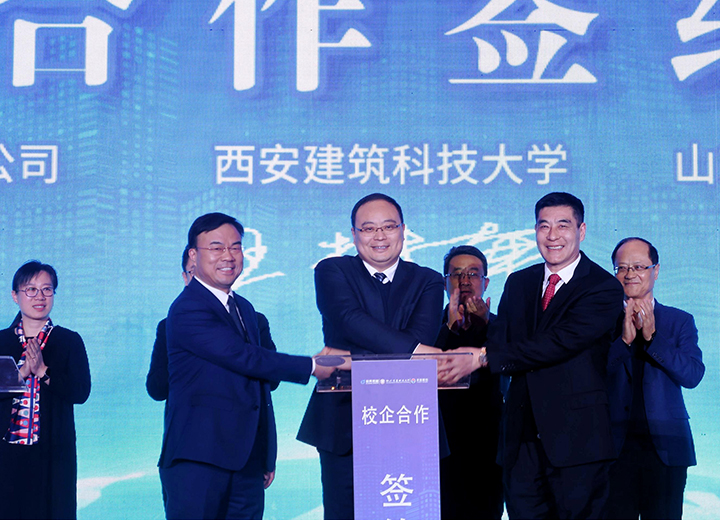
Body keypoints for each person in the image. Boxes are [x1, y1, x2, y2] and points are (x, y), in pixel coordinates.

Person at [440, 192, 624, 519]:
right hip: (521, 439)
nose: (552, 236)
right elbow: (502, 339)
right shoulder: (519, 282)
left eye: (562, 225)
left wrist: (483, 357)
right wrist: (473, 332)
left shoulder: (602, 287)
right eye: (543, 226)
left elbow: (560, 342)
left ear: (581, 231)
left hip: (577, 440)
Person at [158, 212, 337, 520]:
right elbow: (244, 357)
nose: (228, 256)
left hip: (247, 462)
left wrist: (265, 453)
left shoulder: (244, 308)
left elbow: (258, 387)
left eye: (236, 247)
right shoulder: (188, 308)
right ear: (193, 255)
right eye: (216, 247)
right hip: (199, 461)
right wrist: (312, 366)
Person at [297, 193, 445, 520]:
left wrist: (348, 358)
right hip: (343, 422)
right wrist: (413, 351)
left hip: (410, 420)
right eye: (368, 228)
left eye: (388, 227)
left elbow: (422, 337)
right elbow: (348, 319)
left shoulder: (428, 280)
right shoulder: (333, 270)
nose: (379, 236)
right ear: (354, 234)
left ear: (403, 230)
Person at [606, 237, 704, 519]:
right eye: (622, 267)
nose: (629, 274)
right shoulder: (601, 321)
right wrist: (624, 342)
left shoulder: (679, 320)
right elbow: (591, 376)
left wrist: (652, 338)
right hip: (612, 448)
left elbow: (693, 375)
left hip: (666, 447)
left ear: (655, 270)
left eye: (638, 266)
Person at [0, 261, 91, 519]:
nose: (39, 297)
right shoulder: (2, 341)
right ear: (15, 296)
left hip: (52, 454)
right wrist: (22, 373)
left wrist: (43, 371)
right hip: (7, 455)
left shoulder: (68, 341)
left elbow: (80, 392)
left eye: (47, 289)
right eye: (31, 289)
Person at [434, 245, 504, 520]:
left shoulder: (502, 326)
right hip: (438, 446)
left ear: (485, 283)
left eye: (473, 274)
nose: (464, 280)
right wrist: (449, 329)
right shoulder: (429, 326)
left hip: (489, 447)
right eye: (456, 274)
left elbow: (510, 361)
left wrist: (486, 326)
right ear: (445, 283)